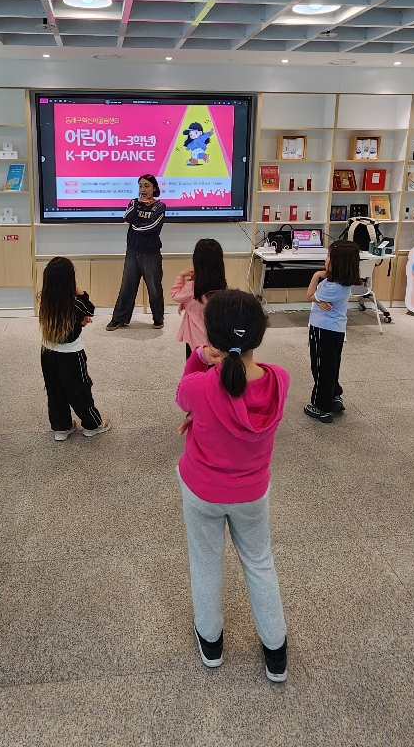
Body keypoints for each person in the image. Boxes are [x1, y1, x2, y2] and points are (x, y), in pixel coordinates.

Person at [175, 289, 290, 683]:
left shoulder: (201, 385)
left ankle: (211, 643)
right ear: (260, 334)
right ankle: (275, 650)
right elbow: (236, 393)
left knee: (206, 563)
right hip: (252, 492)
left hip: (202, 490)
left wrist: (198, 357)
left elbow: (184, 395)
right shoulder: (280, 380)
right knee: (260, 562)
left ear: (212, 337)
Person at [39, 256, 110, 441]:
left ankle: (61, 428)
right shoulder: (75, 303)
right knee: (79, 389)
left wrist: (80, 322)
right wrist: (82, 294)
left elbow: (69, 323)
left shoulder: (44, 299)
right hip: (70, 355)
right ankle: (92, 425)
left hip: (47, 352)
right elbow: (90, 309)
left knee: (54, 389)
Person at [303, 239, 362, 423]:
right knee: (332, 365)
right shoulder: (342, 282)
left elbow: (309, 295)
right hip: (336, 329)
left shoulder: (332, 286)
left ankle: (322, 407)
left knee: (321, 368)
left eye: (329, 256)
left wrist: (316, 276)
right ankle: (334, 395)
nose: (326, 259)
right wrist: (318, 300)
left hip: (322, 329)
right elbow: (317, 298)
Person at [107, 174, 166, 331]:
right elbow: (127, 217)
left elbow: (151, 226)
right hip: (133, 251)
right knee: (127, 286)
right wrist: (137, 206)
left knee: (154, 287)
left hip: (151, 253)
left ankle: (158, 319)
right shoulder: (134, 202)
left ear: (154, 188)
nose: (143, 189)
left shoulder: (160, 206)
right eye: (140, 186)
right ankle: (119, 319)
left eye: (147, 186)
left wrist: (136, 225)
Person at [170, 238, 228, 359]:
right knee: (213, 366)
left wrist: (181, 276)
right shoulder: (221, 285)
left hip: (195, 339)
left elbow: (175, 295)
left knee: (195, 365)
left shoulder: (192, 286)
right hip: (214, 338)